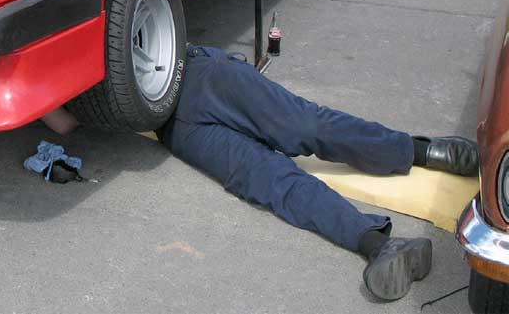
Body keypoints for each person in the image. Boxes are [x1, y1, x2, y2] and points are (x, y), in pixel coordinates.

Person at [42, 45, 479, 302]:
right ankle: (379, 245)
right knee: (266, 180)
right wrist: (27, 82)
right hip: (171, 126)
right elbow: (63, 124)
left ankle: (421, 150)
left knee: (303, 126)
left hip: (196, 74)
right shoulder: (34, 68)